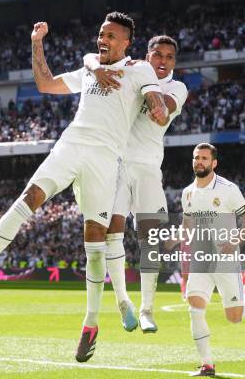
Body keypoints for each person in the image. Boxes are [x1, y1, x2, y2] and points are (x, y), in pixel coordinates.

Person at [0, 11, 168, 363]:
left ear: (127, 42)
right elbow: (45, 84)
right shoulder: (88, 70)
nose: (103, 39)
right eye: (101, 33)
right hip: (70, 145)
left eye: (111, 36)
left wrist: (158, 106)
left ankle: (91, 323)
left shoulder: (140, 68)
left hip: (104, 160)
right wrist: (37, 44)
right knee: (29, 196)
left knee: (95, 242)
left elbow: (153, 97)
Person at [82, 35, 188, 333]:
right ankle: (122, 302)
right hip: (115, 165)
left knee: (149, 240)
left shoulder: (177, 87)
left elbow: (162, 111)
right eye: (158, 55)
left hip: (147, 168)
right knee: (110, 233)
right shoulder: (131, 72)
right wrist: (97, 65)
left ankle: (147, 310)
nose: (163, 61)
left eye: (169, 57)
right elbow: (92, 60)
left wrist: (153, 98)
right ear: (148, 55)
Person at [182, 143, 245, 377]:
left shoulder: (228, 189)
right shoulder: (187, 193)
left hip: (226, 260)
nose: (199, 161)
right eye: (196, 157)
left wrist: (235, 241)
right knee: (195, 308)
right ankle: (207, 364)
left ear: (214, 163)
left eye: (204, 158)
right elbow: (187, 224)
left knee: (234, 318)